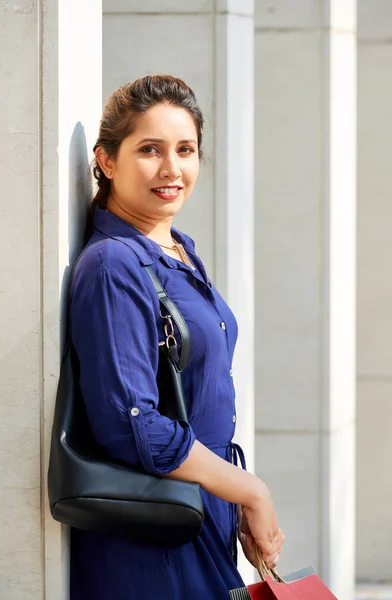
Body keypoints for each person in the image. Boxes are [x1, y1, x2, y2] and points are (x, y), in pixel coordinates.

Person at [69, 74, 285, 600]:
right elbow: (131, 423)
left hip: (202, 510)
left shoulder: (176, 248)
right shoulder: (113, 264)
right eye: (149, 149)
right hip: (153, 533)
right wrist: (249, 490)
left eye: (185, 149)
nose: (172, 169)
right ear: (106, 160)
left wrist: (230, 502)